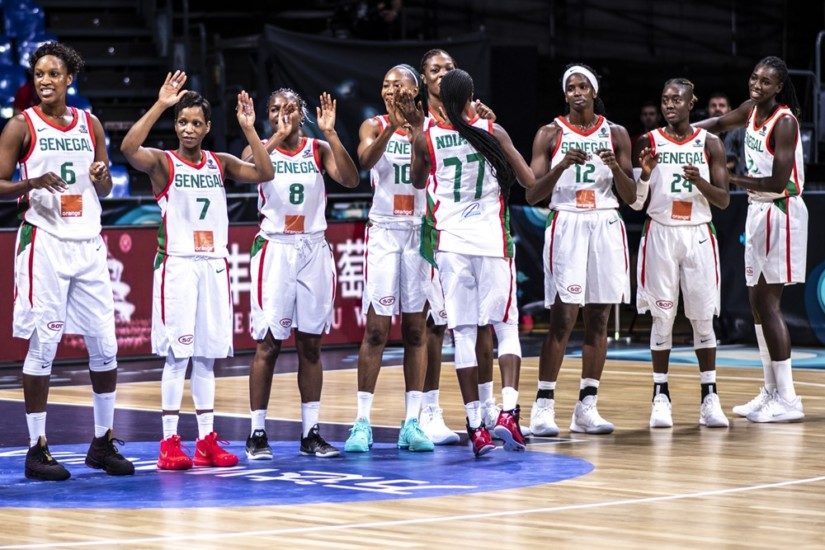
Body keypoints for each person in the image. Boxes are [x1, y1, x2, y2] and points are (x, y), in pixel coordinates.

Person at [120, 71, 274, 469]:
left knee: (206, 357)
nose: (188, 129)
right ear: (176, 125)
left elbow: (265, 173)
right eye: (183, 122)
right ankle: (168, 442)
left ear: (207, 128)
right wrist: (161, 104)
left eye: (196, 123)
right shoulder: (163, 162)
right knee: (178, 355)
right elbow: (128, 148)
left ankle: (206, 440)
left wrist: (249, 129)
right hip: (179, 265)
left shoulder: (219, 163)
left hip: (213, 266)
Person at [0, 42, 133, 481]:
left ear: (69, 79)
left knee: (106, 346)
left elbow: (105, 189)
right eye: (39, 73)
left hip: (88, 241)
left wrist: (102, 177)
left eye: (53, 73)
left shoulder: (90, 124)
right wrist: (31, 182)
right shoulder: (21, 126)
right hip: (46, 242)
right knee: (44, 345)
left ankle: (102, 442)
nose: (45, 80)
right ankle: (36, 449)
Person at [407, 68, 535, 457]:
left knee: (462, 333)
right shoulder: (493, 131)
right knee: (505, 326)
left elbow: (417, 182)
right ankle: (508, 412)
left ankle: (476, 426)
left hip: (451, 244)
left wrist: (419, 137)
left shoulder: (426, 137)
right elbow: (528, 180)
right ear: (471, 96)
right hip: (491, 241)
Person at [244, 88, 359, 460]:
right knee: (269, 343)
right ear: (267, 115)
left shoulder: (317, 149)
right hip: (276, 247)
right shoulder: (259, 147)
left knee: (311, 345)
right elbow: (248, 169)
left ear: (303, 113)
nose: (283, 113)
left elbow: (350, 179)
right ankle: (257, 433)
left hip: (312, 247)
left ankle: (311, 433)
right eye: (275, 108)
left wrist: (331, 133)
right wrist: (276, 136)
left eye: (290, 107)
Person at [526, 63, 636, 436]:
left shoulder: (616, 133)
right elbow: (533, 193)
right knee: (563, 318)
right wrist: (561, 167)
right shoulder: (549, 133)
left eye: (583, 86)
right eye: (571, 87)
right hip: (568, 220)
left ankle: (587, 406)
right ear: (565, 93)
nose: (577, 92)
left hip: (604, 221)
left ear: (594, 91)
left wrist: (616, 168)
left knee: (599, 318)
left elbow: (631, 197)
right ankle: (543, 406)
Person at [696, 56, 807, 423]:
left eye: (765, 82)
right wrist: (680, 133)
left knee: (770, 304)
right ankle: (771, 390)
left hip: (781, 208)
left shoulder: (785, 122)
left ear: (778, 87)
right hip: (758, 209)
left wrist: (730, 179)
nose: (757, 85)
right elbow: (716, 124)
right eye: (754, 78)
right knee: (757, 304)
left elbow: (776, 182)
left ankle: (788, 398)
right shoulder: (750, 110)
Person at [416, 48, 506, 444]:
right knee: (437, 323)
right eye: (435, 69)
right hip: (430, 230)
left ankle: (486, 408)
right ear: (423, 78)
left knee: (481, 322)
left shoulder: (477, 120)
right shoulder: (418, 125)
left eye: (448, 68)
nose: (442, 74)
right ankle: (429, 410)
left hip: (469, 232)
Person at [631, 78, 731, 428]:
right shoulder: (647, 141)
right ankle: (660, 395)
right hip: (660, 231)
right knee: (662, 317)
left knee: (703, 319)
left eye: (676, 100)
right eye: (665, 100)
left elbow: (723, 200)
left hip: (698, 233)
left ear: (692, 103)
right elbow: (636, 203)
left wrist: (700, 182)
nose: (670, 105)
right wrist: (644, 176)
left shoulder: (711, 143)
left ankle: (709, 397)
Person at [343, 64, 433, 453]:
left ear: (415, 90)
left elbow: (419, 178)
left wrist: (415, 129)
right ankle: (361, 422)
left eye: (399, 84)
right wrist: (393, 128)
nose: (391, 89)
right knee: (377, 330)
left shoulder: (430, 127)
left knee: (415, 330)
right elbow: (364, 161)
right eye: (385, 84)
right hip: (384, 230)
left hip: (418, 229)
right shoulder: (373, 124)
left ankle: (412, 422)